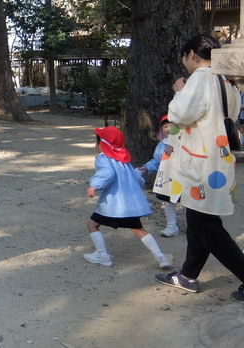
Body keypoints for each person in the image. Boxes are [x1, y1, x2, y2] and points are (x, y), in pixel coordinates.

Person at [152, 33, 244, 302]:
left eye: (184, 58)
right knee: (198, 220)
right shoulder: (227, 80)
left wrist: (179, 92)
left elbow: (180, 115)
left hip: (201, 162)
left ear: (192, 54)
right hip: (218, 159)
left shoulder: (201, 78)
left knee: (207, 227)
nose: (184, 63)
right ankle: (188, 275)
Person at [84, 126, 172, 269]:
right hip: (129, 206)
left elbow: (107, 174)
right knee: (139, 230)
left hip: (112, 205)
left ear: (102, 144)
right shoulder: (124, 160)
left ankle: (102, 255)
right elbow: (137, 178)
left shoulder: (102, 158)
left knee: (92, 224)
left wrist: (94, 185)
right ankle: (160, 256)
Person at [137, 116, 180, 237]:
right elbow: (156, 161)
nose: (168, 129)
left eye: (171, 126)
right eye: (165, 126)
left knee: (188, 203)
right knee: (168, 202)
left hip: (183, 177)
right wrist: (146, 168)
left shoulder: (185, 143)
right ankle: (172, 226)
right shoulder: (162, 145)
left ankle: (194, 228)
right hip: (167, 178)